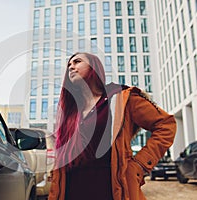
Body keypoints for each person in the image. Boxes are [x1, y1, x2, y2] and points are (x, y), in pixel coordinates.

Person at [48, 52, 177, 200]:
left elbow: (166, 125)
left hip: (109, 190)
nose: (71, 67)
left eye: (77, 62)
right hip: (72, 191)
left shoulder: (120, 98)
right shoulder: (71, 112)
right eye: (69, 65)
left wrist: (139, 164)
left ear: (94, 68)